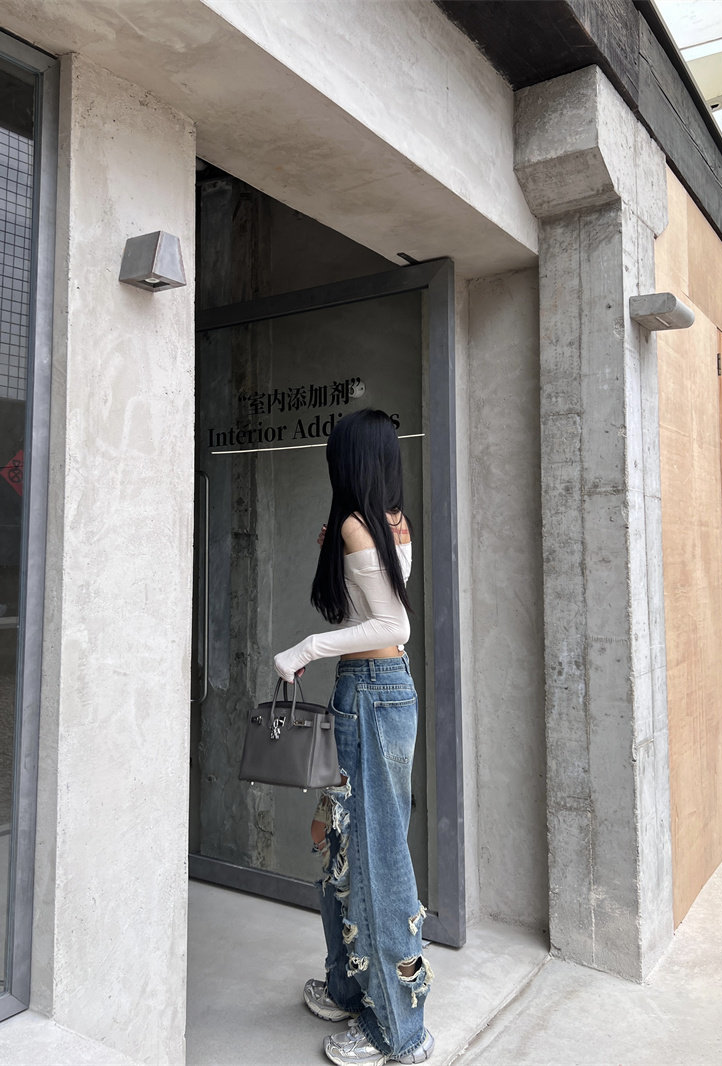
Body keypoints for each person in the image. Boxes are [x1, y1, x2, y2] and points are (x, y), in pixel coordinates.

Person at [274, 409, 434, 1066]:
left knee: (373, 857)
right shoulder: (390, 522)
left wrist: (305, 648)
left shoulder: (356, 524)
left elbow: (392, 625)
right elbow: (371, 613)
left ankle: (397, 1030)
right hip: (381, 691)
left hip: (370, 694)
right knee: (345, 844)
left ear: (350, 461)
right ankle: (347, 989)